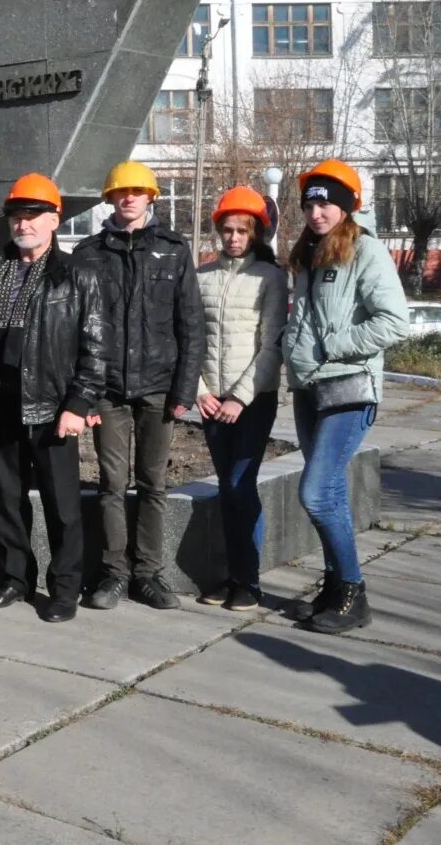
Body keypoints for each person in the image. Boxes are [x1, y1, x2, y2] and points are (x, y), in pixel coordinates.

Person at [281, 161, 407, 634]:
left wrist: (333, 346)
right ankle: (335, 586)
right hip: (307, 387)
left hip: (349, 387)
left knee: (315, 492)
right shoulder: (309, 252)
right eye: (310, 204)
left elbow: (394, 323)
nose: (316, 213)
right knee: (329, 492)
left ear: (347, 206)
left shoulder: (366, 251)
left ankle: (354, 593)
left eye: (326, 203)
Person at [0, 175, 107, 624]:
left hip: (52, 407)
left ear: (55, 220)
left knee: (62, 505)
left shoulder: (77, 274)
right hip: (3, 404)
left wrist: (79, 404)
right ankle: (15, 579)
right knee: (8, 500)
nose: (23, 224)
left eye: (33, 216)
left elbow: (96, 349)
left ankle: (65, 587)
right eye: (16, 216)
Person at [72, 160, 204, 612]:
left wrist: (184, 391)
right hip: (108, 389)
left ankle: (148, 574)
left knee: (153, 484)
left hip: (159, 389)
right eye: (120, 192)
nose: (128, 198)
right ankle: (113, 574)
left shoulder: (173, 249)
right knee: (111, 483)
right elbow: (78, 329)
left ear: (151, 197)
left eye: (137, 191)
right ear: (109, 198)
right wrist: (84, 395)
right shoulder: (89, 253)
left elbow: (191, 324)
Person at [194, 186, 288, 611]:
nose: (233, 238)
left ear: (256, 234)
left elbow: (272, 344)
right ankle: (232, 575)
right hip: (212, 402)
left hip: (251, 401)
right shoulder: (202, 277)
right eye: (227, 230)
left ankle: (247, 581)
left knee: (239, 485)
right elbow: (190, 340)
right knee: (227, 490)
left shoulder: (270, 277)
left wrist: (240, 398)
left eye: (242, 231)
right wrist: (200, 392)